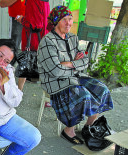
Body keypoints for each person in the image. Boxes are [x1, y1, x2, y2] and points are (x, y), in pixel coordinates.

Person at [37, 6, 113, 145]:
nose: (68, 23)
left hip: (75, 77)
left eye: (70, 19)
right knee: (83, 95)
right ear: (55, 22)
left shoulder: (72, 37)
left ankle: (88, 127)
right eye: (64, 20)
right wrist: (75, 63)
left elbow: (85, 61)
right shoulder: (47, 42)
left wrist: (68, 63)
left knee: (101, 89)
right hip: (55, 82)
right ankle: (68, 130)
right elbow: (56, 71)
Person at [16, 0, 50, 91]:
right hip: (42, 36)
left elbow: (34, 24)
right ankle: (36, 82)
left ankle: (18, 93)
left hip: (32, 39)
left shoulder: (32, 1)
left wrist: (21, 19)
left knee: (25, 63)